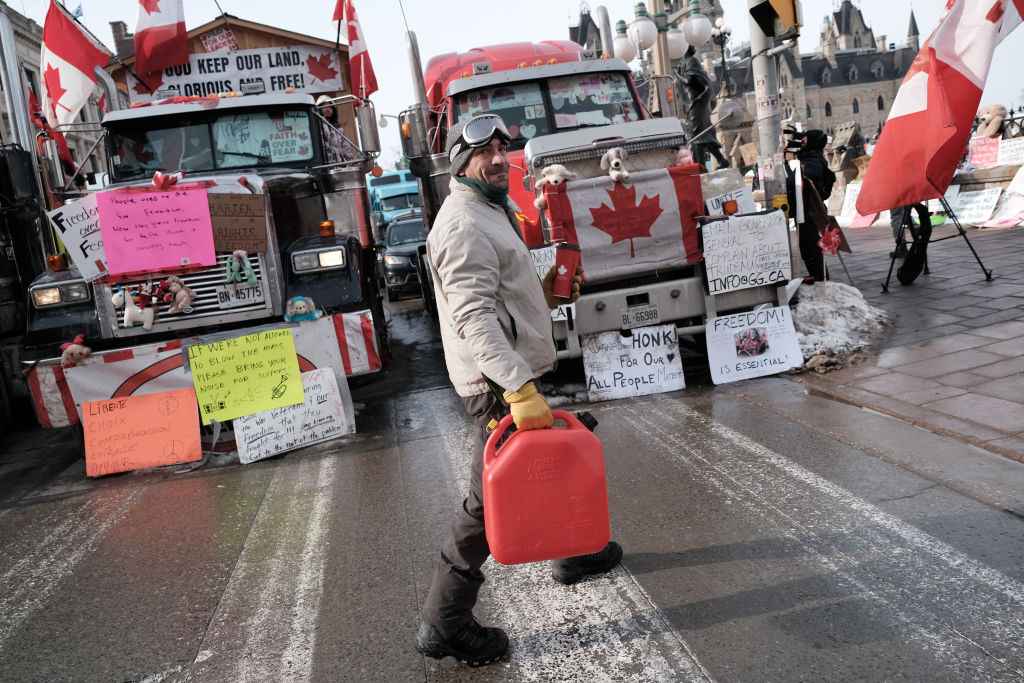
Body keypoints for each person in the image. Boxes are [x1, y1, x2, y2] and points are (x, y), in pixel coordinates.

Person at [415, 113, 623, 667]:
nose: (499, 160)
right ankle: (445, 623)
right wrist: (515, 389)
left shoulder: (490, 208)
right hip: (496, 381)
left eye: (504, 150)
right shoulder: (461, 223)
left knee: (554, 462)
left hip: (511, 374)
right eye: (485, 153)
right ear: (461, 162)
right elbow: (474, 320)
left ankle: (577, 550)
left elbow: (501, 294)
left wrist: (547, 298)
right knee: (488, 503)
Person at [787, 129, 836, 282]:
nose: (802, 143)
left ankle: (820, 278)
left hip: (809, 211)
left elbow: (795, 179)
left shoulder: (813, 161)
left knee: (811, 247)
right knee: (806, 247)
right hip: (804, 209)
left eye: (805, 140)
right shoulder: (810, 157)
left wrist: (786, 164)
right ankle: (817, 276)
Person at [676, 46, 730, 170]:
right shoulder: (685, 63)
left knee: (698, 137)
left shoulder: (691, 61)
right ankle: (721, 161)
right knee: (702, 135)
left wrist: (678, 75)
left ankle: (701, 167)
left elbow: (689, 81)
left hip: (697, 104)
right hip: (693, 105)